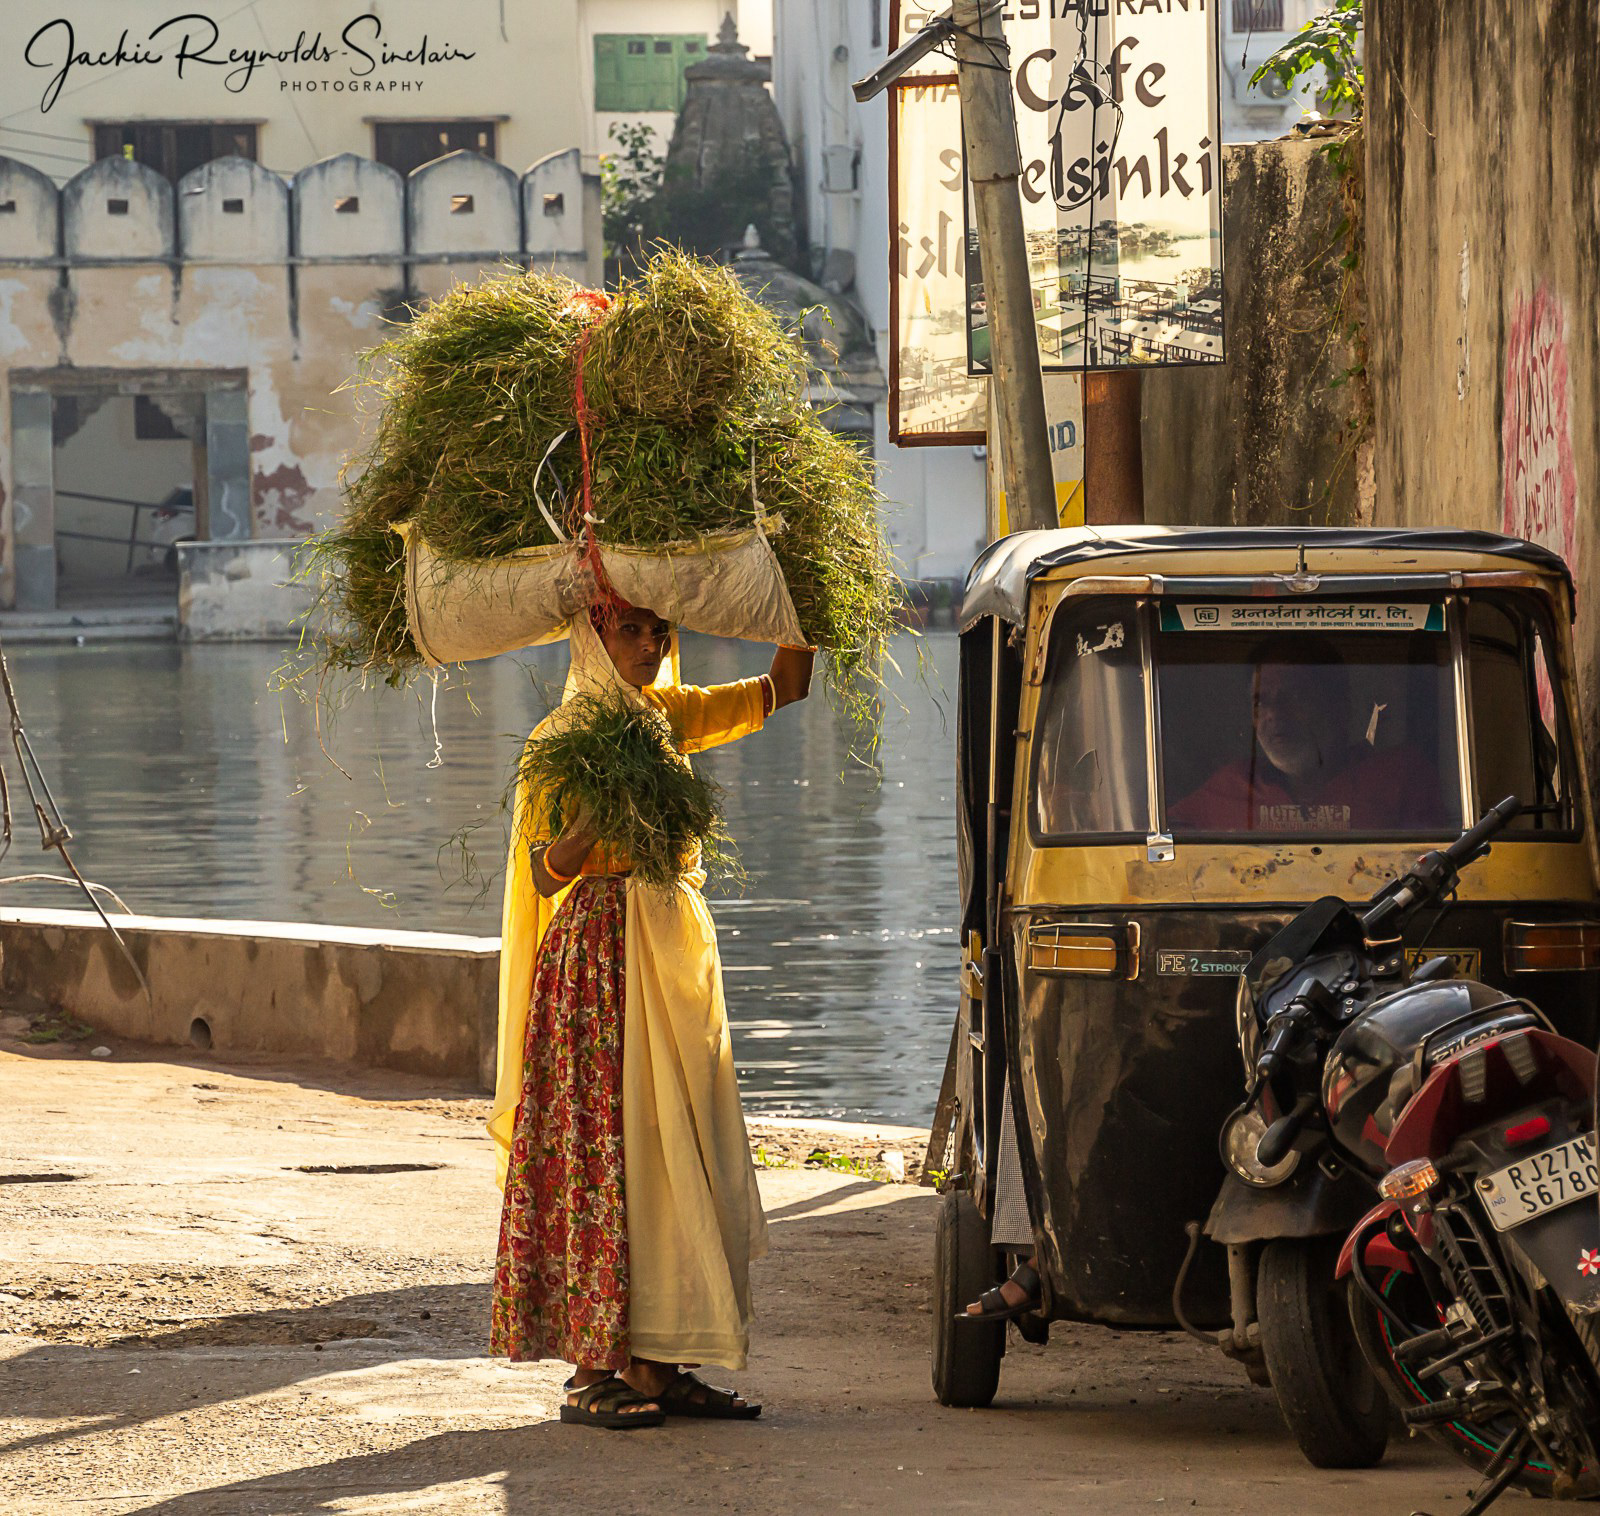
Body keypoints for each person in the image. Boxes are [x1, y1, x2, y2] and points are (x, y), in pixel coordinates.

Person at [488, 597, 814, 1428]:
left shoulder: (670, 717)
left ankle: (661, 1363)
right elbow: (545, 873)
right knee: (610, 1150)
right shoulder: (564, 742)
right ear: (591, 638)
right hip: (596, 961)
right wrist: (602, 805)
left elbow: (788, 685)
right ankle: (592, 1371)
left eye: (657, 629)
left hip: (671, 953)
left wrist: (797, 599)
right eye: (628, 628)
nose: (647, 643)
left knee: (681, 1145)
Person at [1168, 644, 1449, 834]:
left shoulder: (1399, 778)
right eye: (1260, 702)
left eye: (1295, 697)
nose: (1274, 714)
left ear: (1338, 706)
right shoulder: (1229, 786)